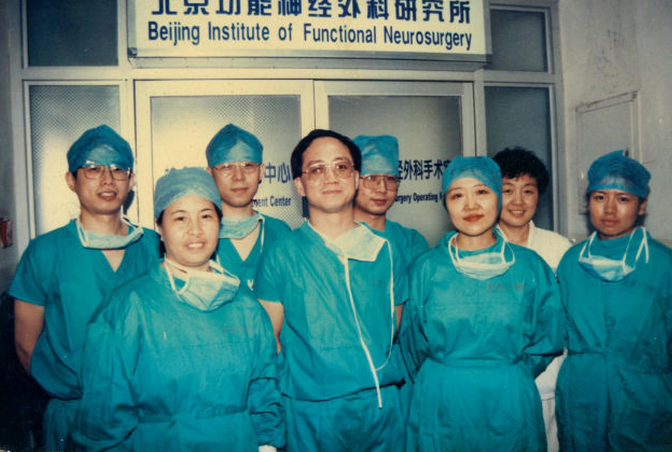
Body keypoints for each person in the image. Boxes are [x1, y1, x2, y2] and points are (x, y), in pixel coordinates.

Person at [73, 167, 285, 451]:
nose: (195, 230)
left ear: (219, 224)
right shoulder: (128, 308)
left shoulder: (245, 306)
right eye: (180, 218)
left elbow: (264, 392)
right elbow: (103, 419)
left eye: (206, 216)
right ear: (160, 228)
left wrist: (267, 446)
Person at [254, 129, 409, 452]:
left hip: (380, 408)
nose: (331, 177)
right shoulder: (281, 254)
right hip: (311, 412)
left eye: (341, 167)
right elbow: (269, 341)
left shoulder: (386, 251)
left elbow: (390, 330)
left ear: (356, 178)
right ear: (300, 184)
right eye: (317, 169)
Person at [9, 125, 160, 451]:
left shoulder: (154, 247)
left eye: (118, 169)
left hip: (147, 417)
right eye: (93, 169)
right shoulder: (45, 252)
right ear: (71, 180)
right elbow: (25, 346)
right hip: (74, 415)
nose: (107, 180)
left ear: (131, 180)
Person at [401, 155, 563, 451]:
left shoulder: (529, 267)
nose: (470, 205)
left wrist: (508, 371)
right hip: (442, 398)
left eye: (481, 192)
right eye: (457, 196)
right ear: (445, 203)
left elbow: (548, 336)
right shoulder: (426, 268)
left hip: (509, 397)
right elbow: (412, 343)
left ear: (498, 198)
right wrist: (446, 373)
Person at [555, 150, 672, 451]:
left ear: (641, 205)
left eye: (622, 198)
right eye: (599, 197)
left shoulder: (663, 266)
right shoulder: (571, 262)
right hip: (583, 397)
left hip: (644, 400)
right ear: (588, 203)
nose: (609, 209)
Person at [493, 147, 571, 452]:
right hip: (496, 383)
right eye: (507, 190)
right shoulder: (478, 248)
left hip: (547, 386)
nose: (518, 201)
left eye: (528, 190)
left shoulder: (560, 249)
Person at [206, 123, 291, 289]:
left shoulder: (280, 233)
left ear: (261, 171)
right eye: (226, 167)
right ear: (210, 174)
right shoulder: (198, 235)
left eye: (248, 166)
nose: (238, 176)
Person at [353, 134, 429, 265]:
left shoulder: (411, 242)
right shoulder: (335, 237)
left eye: (390, 179)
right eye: (371, 178)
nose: (382, 189)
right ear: (353, 181)